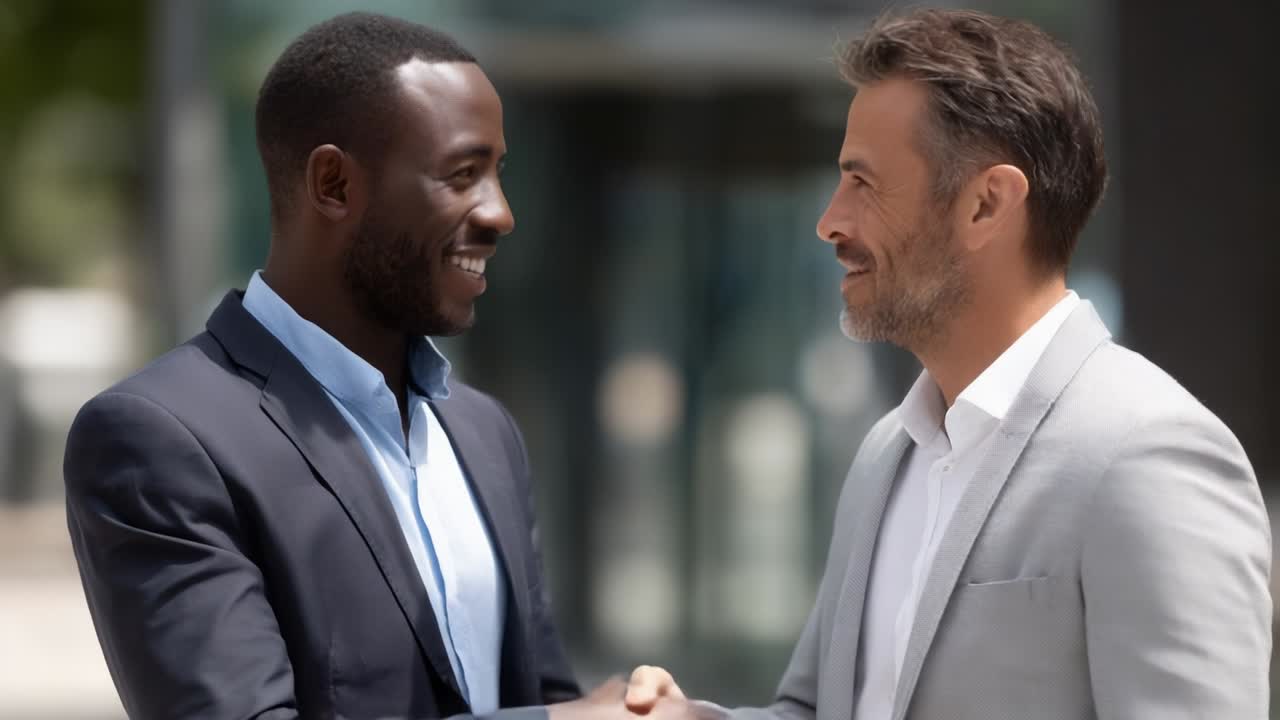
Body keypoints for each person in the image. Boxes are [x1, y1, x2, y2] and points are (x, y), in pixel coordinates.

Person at [626, 8, 1271, 719]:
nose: (830, 221)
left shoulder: (1150, 456)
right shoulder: (887, 455)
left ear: (987, 204)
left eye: (863, 183)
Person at [64, 13, 706, 720]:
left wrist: (629, 709)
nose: (500, 215)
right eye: (463, 174)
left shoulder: (483, 433)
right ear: (334, 184)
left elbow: (531, 697)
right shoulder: (163, 440)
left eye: (498, 173)